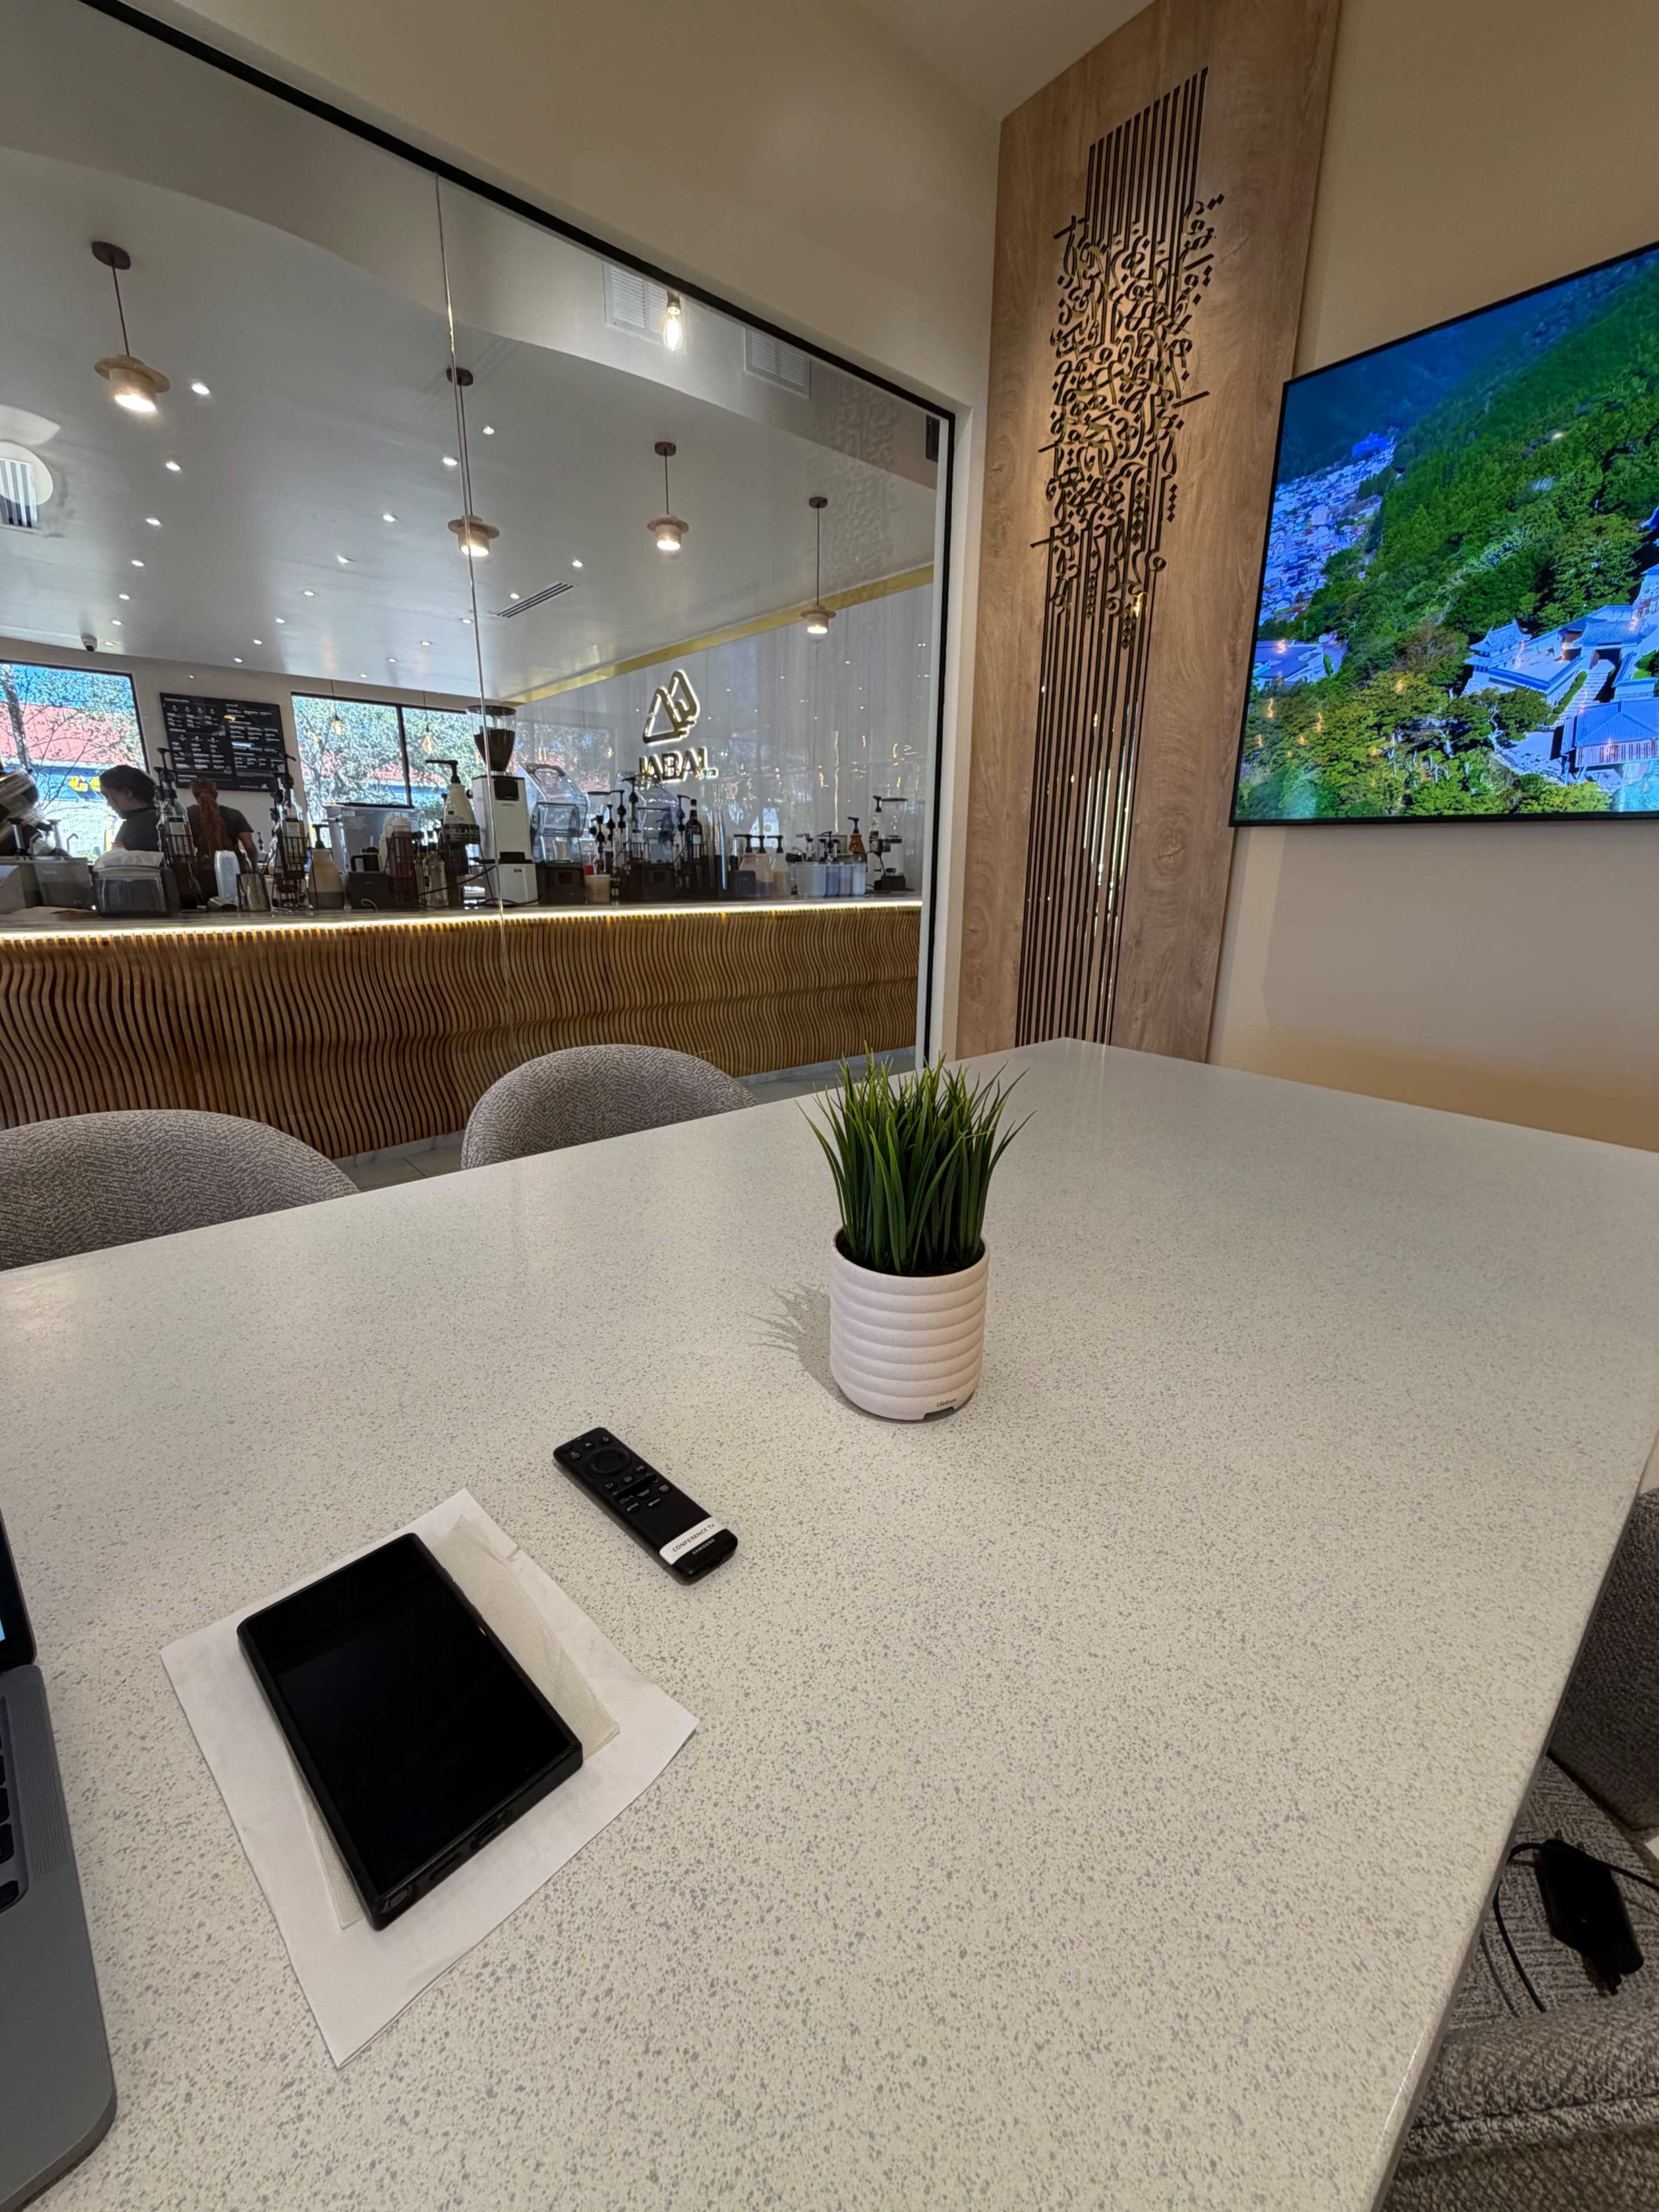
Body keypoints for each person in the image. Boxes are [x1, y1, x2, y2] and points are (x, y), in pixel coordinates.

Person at [188, 778, 258, 863]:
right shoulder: (234, 814)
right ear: (216, 795)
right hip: (236, 867)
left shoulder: (189, 815)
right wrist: (255, 867)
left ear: (194, 795)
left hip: (206, 869)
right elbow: (250, 848)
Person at [98, 764, 161, 851]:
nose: (109, 804)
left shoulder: (140, 829)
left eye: (107, 796)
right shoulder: (157, 819)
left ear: (127, 793)